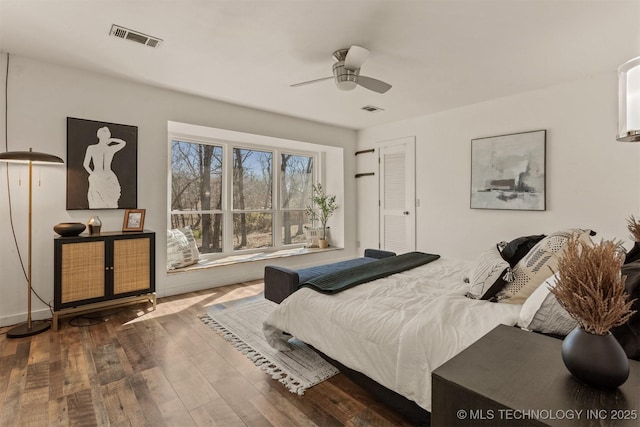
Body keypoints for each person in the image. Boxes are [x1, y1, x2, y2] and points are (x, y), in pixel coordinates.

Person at [83, 126, 126, 208]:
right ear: (99, 135)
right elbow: (85, 164)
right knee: (97, 201)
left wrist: (93, 175)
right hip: (100, 176)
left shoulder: (109, 149)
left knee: (109, 203)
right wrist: (93, 175)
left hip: (108, 177)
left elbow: (123, 143)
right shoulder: (93, 148)